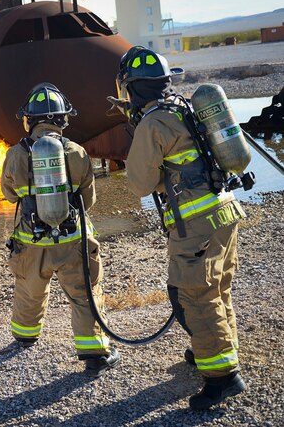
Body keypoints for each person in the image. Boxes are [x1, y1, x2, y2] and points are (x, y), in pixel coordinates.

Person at [112, 46, 247, 410]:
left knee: (195, 296)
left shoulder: (153, 123)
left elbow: (140, 183)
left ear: (132, 88)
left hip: (196, 224)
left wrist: (138, 136)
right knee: (218, 286)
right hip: (225, 210)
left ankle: (222, 377)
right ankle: (219, 348)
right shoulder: (186, 107)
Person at [1, 82, 119, 377]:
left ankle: (25, 334)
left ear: (29, 120)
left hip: (31, 242)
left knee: (29, 289)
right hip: (71, 241)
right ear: (64, 119)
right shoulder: (77, 152)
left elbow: (10, 195)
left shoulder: (15, 154)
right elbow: (88, 199)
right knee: (83, 293)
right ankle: (94, 354)